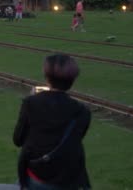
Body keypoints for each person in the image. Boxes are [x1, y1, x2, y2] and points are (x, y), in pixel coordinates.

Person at [14, 55, 91, 190]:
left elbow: (18, 139)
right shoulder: (82, 111)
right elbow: (74, 140)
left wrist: (31, 101)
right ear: (72, 80)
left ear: (47, 77)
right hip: (69, 179)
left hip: (37, 176)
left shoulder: (31, 103)